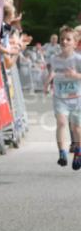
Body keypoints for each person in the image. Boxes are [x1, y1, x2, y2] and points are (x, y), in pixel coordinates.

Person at [45, 26, 81, 168]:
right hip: (60, 97)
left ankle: (78, 152)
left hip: (77, 98)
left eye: (68, 39)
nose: (64, 42)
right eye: (62, 39)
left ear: (75, 43)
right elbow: (51, 73)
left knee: (76, 128)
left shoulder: (78, 59)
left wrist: (75, 75)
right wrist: (47, 83)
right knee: (61, 123)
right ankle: (62, 153)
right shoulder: (54, 58)